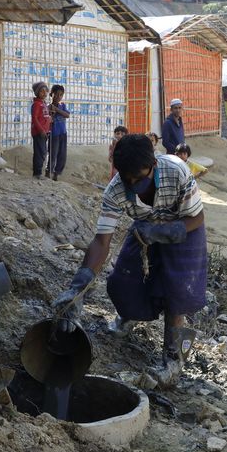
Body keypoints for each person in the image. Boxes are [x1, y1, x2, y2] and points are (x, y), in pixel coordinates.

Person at [52, 134, 207, 388]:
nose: (134, 184)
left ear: (154, 166)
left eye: (140, 178)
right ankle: (130, 317)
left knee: (178, 291)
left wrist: (163, 232)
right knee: (122, 281)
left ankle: (172, 359)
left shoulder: (177, 171)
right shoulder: (115, 190)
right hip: (144, 228)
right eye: (128, 179)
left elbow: (197, 218)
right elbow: (102, 242)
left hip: (184, 229)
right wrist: (78, 287)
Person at [46, 85, 70, 181]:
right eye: (56, 94)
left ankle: (57, 173)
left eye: (61, 95)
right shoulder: (48, 107)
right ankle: (49, 171)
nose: (58, 97)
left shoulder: (62, 106)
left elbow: (67, 115)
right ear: (52, 94)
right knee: (53, 153)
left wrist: (57, 110)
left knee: (62, 154)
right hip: (53, 134)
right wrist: (51, 113)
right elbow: (47, 119)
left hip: (63, 133)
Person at [30, 81, 51, 179]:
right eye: (42, 91)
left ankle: (38, 172)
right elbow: (35, 118)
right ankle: (37, 173)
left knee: (43, 152)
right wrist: (42, 130)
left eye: (45, 91)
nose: (44, 93)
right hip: (39, 133)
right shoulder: (36, 104)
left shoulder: (44, 104)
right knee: (40, 152)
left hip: (44, 133)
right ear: (37, 93)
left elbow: (45, 117)